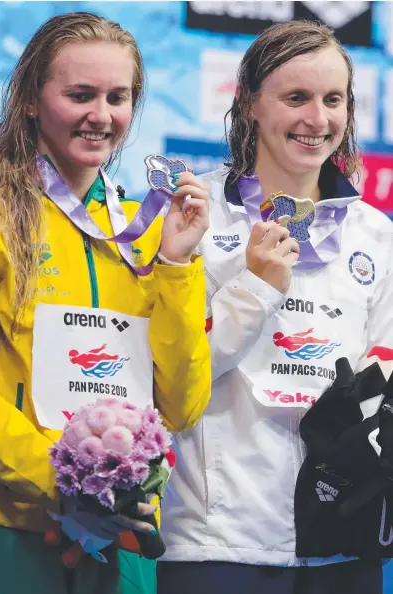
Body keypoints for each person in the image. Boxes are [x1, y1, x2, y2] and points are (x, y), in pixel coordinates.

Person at [0, 12, 211, 594]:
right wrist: (67, 478)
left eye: (118, 97)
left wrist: (175, 265)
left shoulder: (147, 234)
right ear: (28, 100)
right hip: (9, 528)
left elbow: (183, 406)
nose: (102, 115)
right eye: (80, 94)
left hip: (124, 534)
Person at [158, 20, 393, 594]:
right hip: (217, 542)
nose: (318, 120)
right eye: (296, 98)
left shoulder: (375, 234)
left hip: (343, 543)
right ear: (248, 102)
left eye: (332, 99)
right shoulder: (191, 215)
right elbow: (169, 377)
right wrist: (256, 288)